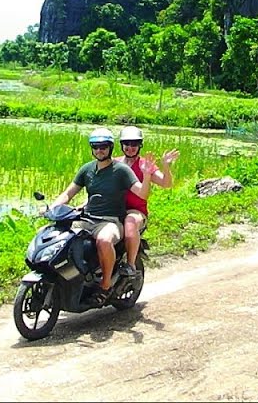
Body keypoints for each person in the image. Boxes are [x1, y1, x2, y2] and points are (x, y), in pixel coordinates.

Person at [50, 126, 154, 304]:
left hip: (110, 221)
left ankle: (105, 286)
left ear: (110, 148)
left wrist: (146, 175)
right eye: (96, 147)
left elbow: (142, 194)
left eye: (104, 147)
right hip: (86, 219)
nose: (99, 150)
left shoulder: (121, 170)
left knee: (104, 240)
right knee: (60, 238)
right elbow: (68, 193)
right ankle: (71, 279)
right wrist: (52, 208)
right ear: (92, 148)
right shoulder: (87, 169)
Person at [116, 125, 178, 279]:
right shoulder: (114, 163)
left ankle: (130, 265)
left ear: (140, 146)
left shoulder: (145, 165)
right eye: (127, 144)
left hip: (134, 211)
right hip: (112, 209)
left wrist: (165, 166)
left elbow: (166, 183)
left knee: (130, 223)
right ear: (121, 145)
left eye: (134, 144)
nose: (130, 148)